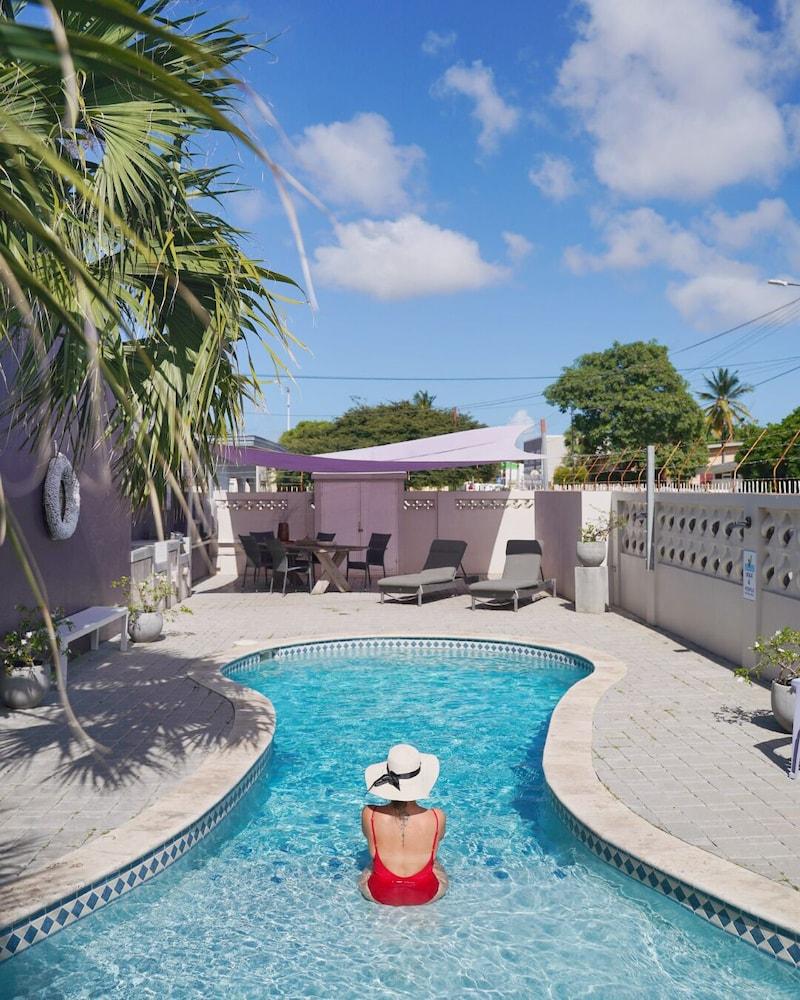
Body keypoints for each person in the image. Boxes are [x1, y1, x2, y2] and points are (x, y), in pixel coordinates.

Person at [359, 743, 448, 906]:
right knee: (437, 865)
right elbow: (438, 839)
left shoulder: (369, 814)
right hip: (426, 893)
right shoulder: (437, 817)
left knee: (369, 866)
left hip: (379, 892)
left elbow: (369, 837)